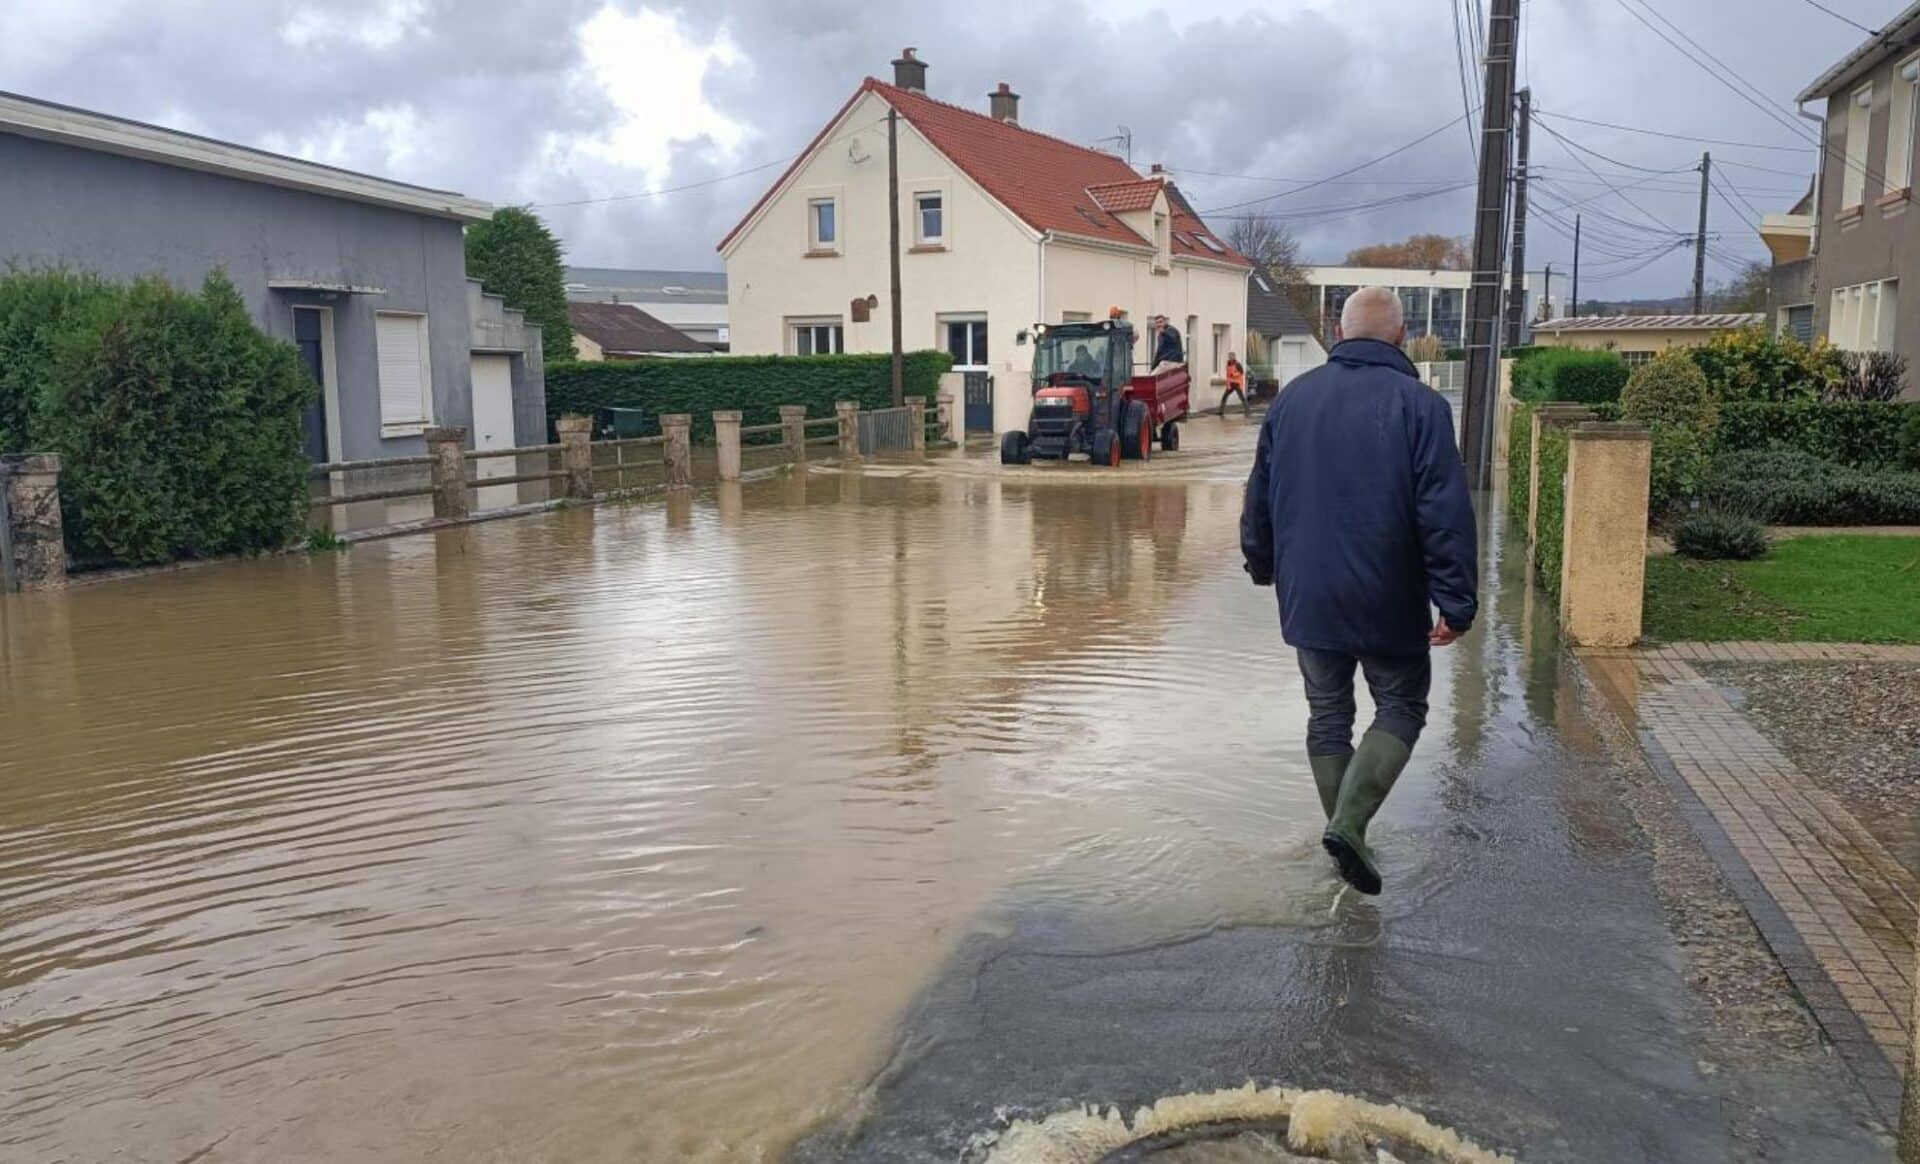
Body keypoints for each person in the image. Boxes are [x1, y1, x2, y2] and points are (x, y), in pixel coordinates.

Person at [1238, 286, 1478, 896]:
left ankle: (1347, 840)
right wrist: (1457, 601)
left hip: (1308, 594)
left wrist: (1263, 565)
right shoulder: (1421, 406)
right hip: (1389, 595)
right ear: (1399, 338)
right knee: (1400, 706)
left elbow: (1259, 497)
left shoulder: (1291, 401)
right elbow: (1443, 512)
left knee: (1328, 715)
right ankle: (1349, 827)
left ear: (1340, 335)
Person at [1219, 352, 1248, 417]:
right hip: (1231, 383)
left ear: (1234, 357)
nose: (1230, 357)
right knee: (1224, 397)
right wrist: (1228, 384)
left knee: (1241, 397)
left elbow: (1241, 373)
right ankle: (1221, 411)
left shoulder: (1238, 364)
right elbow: (1228, 376)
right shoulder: (1228, 364)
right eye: (1229, 356)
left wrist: (1234, 375)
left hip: (1237, 383)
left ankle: (1247, 410)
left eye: (1232, 356)